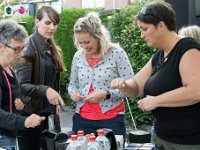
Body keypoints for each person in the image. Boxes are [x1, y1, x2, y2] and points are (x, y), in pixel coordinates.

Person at [111, 2, 200, 150]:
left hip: (187, 142)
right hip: (161, 137)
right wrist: (124, 85)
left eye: (145, 29)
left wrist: (156, 101)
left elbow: (195, 91)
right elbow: (137, 87)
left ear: (161, 25)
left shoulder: (187, 48)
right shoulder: (160, 54)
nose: (142, 35)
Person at [68, 12, 134, 139]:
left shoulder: (117, 54)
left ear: (99, 36)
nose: (83, 47)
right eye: (80, 43)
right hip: (81, 121)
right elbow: (72, 84)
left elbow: (131, 88)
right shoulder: (78, 56)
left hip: (111, 120)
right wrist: (73, 92)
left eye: (87, 42)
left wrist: (106, 94)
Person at [16, 6, 66, 150]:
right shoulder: (27, 48)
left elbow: (52, 79)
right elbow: (22, 86)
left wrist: (56, 104)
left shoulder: (50, 46)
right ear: (36, 22)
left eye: (55, 24)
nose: (52, 28)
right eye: (47, 23)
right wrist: (46, 90)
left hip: (49, 115)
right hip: (32, 116)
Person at [0, 20, 45, 149]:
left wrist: (20, 102)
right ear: (1, 47)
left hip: (9, 135)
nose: (21, 54)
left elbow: (11, 95)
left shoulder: (8, 67)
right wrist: (24, 121)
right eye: (16, 49)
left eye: (22, 48)